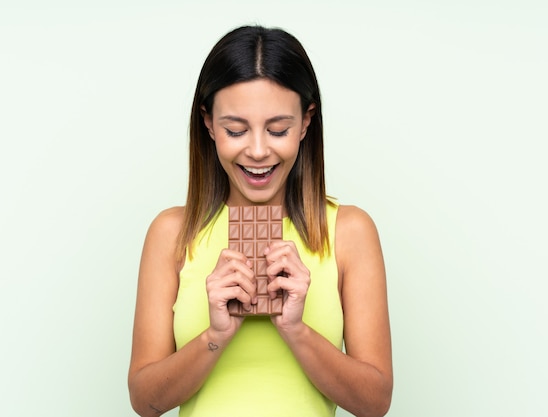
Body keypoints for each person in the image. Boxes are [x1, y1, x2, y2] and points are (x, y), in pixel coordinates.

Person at [128, 25, 393, 417]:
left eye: (278, 129)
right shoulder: (171, 234)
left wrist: (296, 330)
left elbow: (375, 402)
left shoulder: (348, 232)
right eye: (235, 129)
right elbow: (144, 401)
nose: (256, 150)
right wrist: (216, 336)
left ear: (306, 122)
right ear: (208, 123)